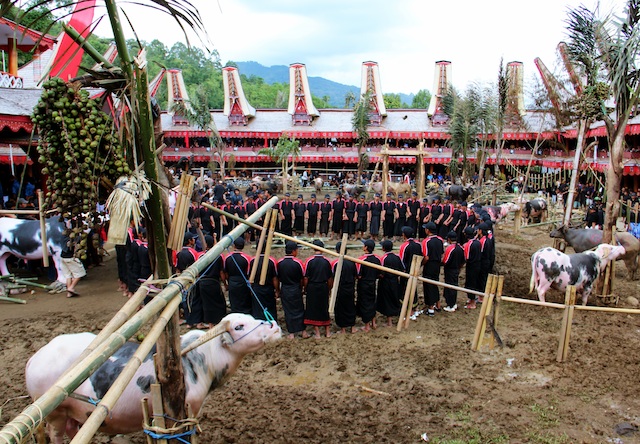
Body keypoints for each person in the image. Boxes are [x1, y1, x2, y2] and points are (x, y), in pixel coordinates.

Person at [277, 241, 308, 339]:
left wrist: (278, 290)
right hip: (295, 288)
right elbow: (303, 278)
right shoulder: (298, 263)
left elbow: (277, 278)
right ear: (294, 251)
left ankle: (291, 333)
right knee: (299, 309)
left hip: (285, 288)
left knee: (288, 310)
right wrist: (303, 288)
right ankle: (303, 331)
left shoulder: (280, 262)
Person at [303, 240, 333, 338]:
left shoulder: (309, 261)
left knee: (313, 309)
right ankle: (327, 332)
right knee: (324, 308)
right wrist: (329, 289)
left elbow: (306, 277)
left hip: (312, 286)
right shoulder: (327, 261)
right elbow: (330, 278)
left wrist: (305, 288)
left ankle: (317, 333)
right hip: (323, 286)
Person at [196, 235, 227, 326]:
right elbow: (221, 272)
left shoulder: (200, 256)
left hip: (203, 282)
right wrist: (225, 283)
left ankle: (210, 324)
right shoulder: (218, 256)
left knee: (206, 303)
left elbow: (197, 271)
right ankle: (218, 321)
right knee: (218, 302)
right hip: (214, 282)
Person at [332, 241, 358, 334]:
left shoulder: (335, 263)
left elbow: (332, 277)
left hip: (340, 288)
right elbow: (356, 275)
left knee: (340, 308)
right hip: (350, 287)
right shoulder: (352, 262)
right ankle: (352, 327)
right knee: (350, 306)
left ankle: (343, 329)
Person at [377, 240, 403, 326]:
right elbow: (402, 269)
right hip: (395, 280)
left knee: (387, 300)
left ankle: (389, 322)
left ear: (383, 248)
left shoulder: (383, 258)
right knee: (395, 298)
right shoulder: (397, 257)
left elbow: (381, 272)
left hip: (386, 281)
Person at [223, 237, 253, 314]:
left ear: (234, 245)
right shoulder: (247, 258)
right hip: (243, 281)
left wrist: (227, 282)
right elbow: (249, 272)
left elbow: (225, 272)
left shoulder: (227, 257)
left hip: (232, 281)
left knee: (234, 302)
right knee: (244, 301)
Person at [249, 245, 279, 322]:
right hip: (268, 289)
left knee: (257, 309)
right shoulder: (271, 260)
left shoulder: (252, 260)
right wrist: (277, 290)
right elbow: (274, 278)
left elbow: (249, 277)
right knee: (270, 308)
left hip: (257, 288)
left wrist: (250, 289)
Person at [357, 239, 381, 331]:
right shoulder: (377, 258)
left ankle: (367, 325)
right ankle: (373, 322)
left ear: (366, 247)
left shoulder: (361, 259)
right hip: (373, 282)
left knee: (365, 303)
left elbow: (359, 274)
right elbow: (379, 273)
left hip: (364, 283)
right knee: (372, 301)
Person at [399, 226, 423, 315]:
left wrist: (402, 271)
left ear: (404, 235)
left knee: (405, 290)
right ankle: (414, 308)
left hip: (407, 271)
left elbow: (401, 260)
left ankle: (409, 311)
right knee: (413, 289)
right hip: (415, 270)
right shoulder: (418, 244)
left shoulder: (404, 246)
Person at [421, 222, 444, 317]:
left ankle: (430, 308)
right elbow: (442, 253)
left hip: (429, 264)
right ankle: (438, 304)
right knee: (435, 283)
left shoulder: (426, 241)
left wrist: (422, 264)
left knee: (428, 285)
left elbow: (426, 257)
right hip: (437, 264)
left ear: (428, 230)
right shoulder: (440, 239)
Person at [60, 222, 86, 298]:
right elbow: (80, 238)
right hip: (70, 258)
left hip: (62, 258)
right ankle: (71, 288)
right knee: (80, 273)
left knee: (68, 275)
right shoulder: (75, 238)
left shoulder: (63, 237)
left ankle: (69, 292)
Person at [442, 231, 465, 312]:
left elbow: (445, 261)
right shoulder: (461, 248)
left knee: (450, 286)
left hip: (450, 270)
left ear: (449, 239)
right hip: (457, 269)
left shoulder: (450, 249)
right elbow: (463, 260)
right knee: (454, 285)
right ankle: (453, 303)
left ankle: (450, 304)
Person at [462, 226, 481, 309]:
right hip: (478, 264)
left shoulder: (468, 245)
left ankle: (472, 302)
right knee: (474, 282)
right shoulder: (478, 242)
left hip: (471, 266)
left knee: (470, 284)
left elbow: (467, 257)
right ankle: (472, 299)